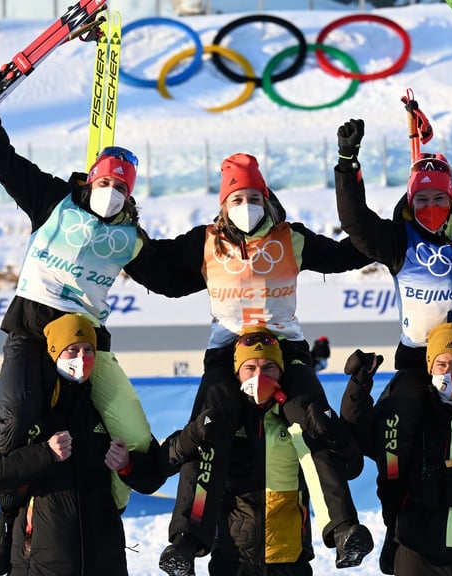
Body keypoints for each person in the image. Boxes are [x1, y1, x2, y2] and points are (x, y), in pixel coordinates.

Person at [123, 153, 374, 575]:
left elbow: (345, 255)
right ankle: (186, 542)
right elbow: (161, 273)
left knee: (308, 419)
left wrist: (389, 235)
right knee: (208, 426)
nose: (246, 204)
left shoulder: (290, 238)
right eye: (237, 197)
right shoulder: (205, 242)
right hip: (227, 355)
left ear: (267, 198)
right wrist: (121, 234)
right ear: (224, 203)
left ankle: (345, 529)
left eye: (254, 196)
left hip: (285, 351)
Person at [0, 67, 161, 574]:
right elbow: (3, 163)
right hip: (32, 338)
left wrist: (220, 250)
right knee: (20, 422)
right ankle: (7, 522)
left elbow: (169, 274)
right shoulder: (56, 202)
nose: (111, 190)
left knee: (132, 430)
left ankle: (113, 501)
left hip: (86, 348)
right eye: (105, 181)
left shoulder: (129, 237)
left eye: (121, 186)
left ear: (130, 192)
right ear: (90, 178)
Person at [333, 117, 452, 573]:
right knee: (395, 433)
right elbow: (354, 221)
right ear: (410, 200)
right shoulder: (399, 238)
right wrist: (347, 163)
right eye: (422, 197)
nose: (432, 205)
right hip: (422, 363)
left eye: (440, 197)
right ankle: (397, 529)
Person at [0, 314, 197, 576]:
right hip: (39, 565)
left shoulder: (105, 410)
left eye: (88, 350)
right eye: (72, 350)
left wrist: (127, 466)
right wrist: (44, 453)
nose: (82, 358)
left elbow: (152, 478)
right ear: (53, 353)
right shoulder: (21, 408)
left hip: (106, 562)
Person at [341, 323, 452, 576]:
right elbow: (363, 437)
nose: (450, 372)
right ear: (430, 368)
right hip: (418, 549)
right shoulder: (409, 414)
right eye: (442, 364)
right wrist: (358, 386)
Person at [200, 326, 369, 575]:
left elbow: (350, 466)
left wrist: (334, 427)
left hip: (289, 557)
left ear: (281, 371)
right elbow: (191, 464)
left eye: (268, 367)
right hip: (232, 559)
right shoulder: (226, 419)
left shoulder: (298, 418)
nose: (259, 376)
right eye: (250, 368)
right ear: (237, 374)